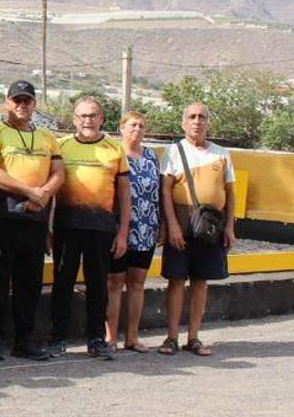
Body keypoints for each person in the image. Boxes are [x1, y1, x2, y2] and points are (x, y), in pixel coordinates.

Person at [0, 80, 64, 361]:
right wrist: (31, 191)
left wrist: (42, 195)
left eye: (27, 100)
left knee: (30, 283)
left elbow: (58, 173)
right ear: (7, 101)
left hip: (35, 220)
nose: (22, 105)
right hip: (3, 217)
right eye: (16, 100)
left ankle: (25, 339)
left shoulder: (47, 137)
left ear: (34, 104)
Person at [46, 97, 130, 361]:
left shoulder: (115, 149)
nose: (87, 121)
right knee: (62, 284)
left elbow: (125, 196)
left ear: (102, 119)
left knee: (98, 286)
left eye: (93, 116)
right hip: (66, 228)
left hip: (101, 229)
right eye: (82, 116)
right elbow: (49, 190)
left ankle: (96, 339)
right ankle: (57, 338)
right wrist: (47, 230)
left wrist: (122, 233)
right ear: (74, 119)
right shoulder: (61, 146)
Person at [158, 102, 236, 356]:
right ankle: (171, 337)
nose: (197, 121)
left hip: (211, 226)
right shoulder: (173, 152)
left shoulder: (222, 154)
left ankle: (193, 337)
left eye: (202, 116)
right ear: (183, 123)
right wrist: (171, 226)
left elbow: (230, 193)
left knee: (201, 281)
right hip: (181, 223)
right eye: (192, 116)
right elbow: (165, 191)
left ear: (208, 122)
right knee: (177, 280)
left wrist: (230, 227)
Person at [106, 111, 161, 352]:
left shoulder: (151, 156)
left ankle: (132, 337)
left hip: (146, 227)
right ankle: (110, 338)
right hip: (119, 228)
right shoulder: (114, 154)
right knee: (115, 282)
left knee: (137, 282)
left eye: (141, 125)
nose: (137, 129)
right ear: (122, 129)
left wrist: (162, 226)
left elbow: (159, 193)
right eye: (132, 125)